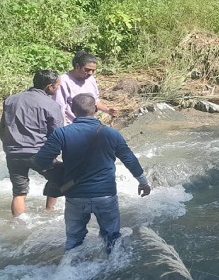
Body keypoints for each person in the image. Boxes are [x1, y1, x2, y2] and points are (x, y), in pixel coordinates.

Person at [33, 93, 151, 252]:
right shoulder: (111, 133)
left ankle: (69, 272)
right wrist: (143, 182)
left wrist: (59, 166)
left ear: (72, 110)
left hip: (75, 196)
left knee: (74, 239)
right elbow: (130, 160)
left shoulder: (61, 133)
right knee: (112, 239)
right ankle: (113, 272)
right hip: (105, 195)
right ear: (96, 109)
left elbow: (40, 161)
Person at [1, 70, 64, 216]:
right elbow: (58, 133)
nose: (58, 88)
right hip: (38, 153)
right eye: (58, 86)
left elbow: (3, 127)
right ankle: (49, 212)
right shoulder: (50, 104)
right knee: (60, 175)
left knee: (19, 192)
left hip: (13, 153)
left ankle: (19, 225)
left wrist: (10, 147)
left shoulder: (11, 100)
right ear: (50, 87)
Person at [55, 50, 116, 124]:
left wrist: (107, 110)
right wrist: (66, 129)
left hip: (90, 124)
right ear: (77, 67)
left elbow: (95, 101)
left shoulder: (91, 79)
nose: (90, 73)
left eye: (93, 71)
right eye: (87, 70)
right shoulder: (64, 82)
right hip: (73, 125)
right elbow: (59, 108)